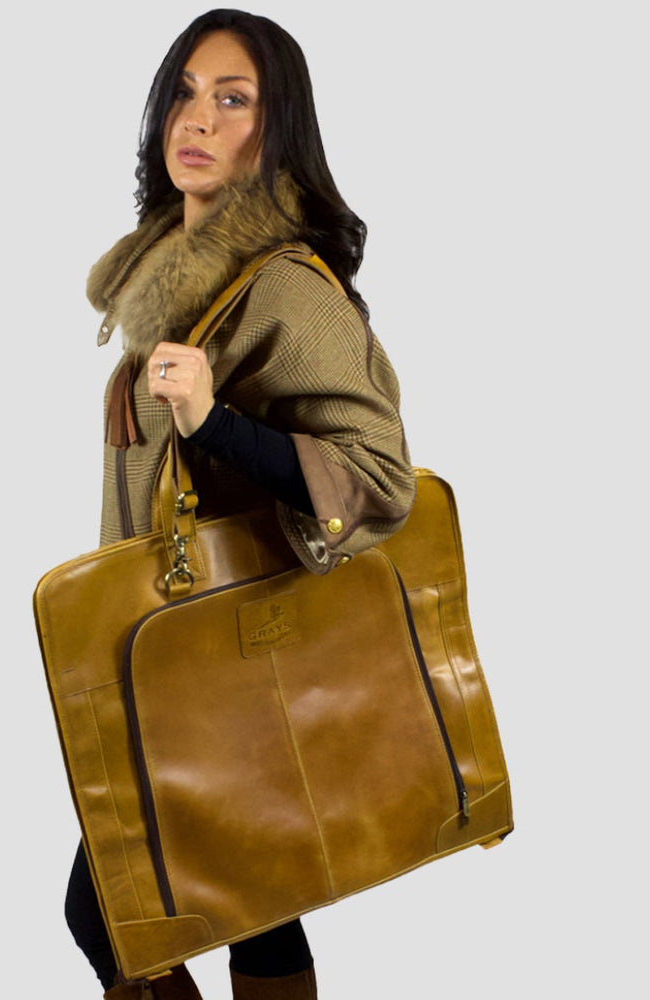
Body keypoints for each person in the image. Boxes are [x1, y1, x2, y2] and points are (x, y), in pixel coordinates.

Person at [64, 9, 416, 999]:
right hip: (170, 654)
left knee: (119, 903)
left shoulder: (287, 293)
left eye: (233, 99)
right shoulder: (165, 279)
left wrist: (215, 421)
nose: (198, 118)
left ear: (278, 128)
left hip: (238, 662)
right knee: (246, 904)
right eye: (184, 91)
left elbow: (379, 482)